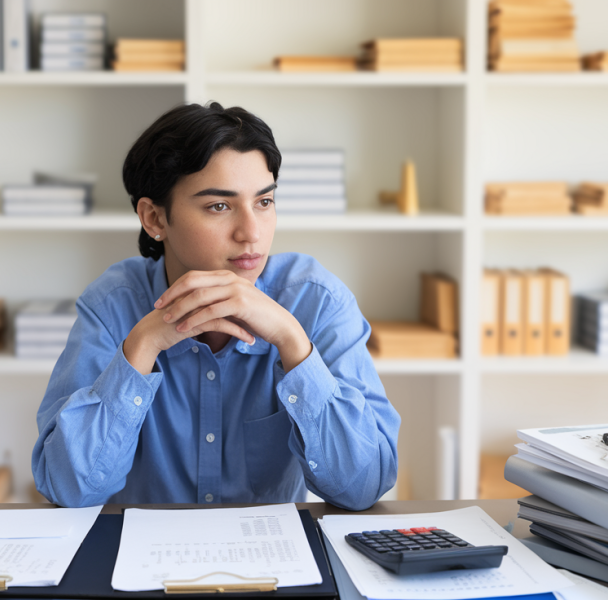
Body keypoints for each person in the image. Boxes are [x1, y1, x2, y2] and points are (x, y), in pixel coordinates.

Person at [31, 102, 400, 510]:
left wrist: (293, 342)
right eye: (219, 206)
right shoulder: (112, 305)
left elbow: (365, 485)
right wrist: (141, 348)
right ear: (154, 218)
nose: (251, 233)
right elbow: (69, 489)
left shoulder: (316, 302)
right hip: (144, 564)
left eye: (264, 202)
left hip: (274, 560)